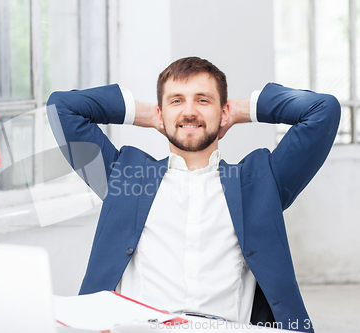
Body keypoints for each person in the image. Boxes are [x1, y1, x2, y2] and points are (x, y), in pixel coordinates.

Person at [46, 57, 340, 332]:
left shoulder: (260, 182)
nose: (189, 111)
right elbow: (62, 108)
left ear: (222, 111)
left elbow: (322, 110)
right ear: (161, 113)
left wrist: (239, 109)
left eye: (203, 100)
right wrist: (150, 115)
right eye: (177, 101)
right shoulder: (124, 178)